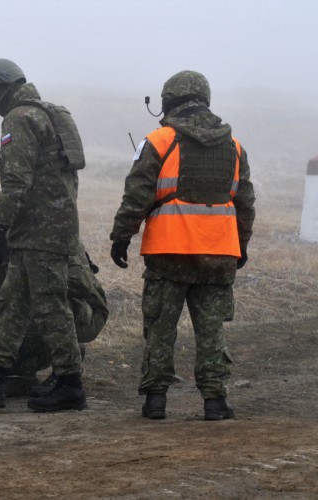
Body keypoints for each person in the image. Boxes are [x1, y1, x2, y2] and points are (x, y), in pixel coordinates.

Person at [109, 70, 255, 420]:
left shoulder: (159, 140)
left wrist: (121, 236)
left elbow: (137, 195)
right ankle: (215, 402)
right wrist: (241, 245)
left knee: (160, 327)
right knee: (211, 330)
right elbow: (244, 203)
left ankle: (156, 401)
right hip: (219, 252)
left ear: (168, 102)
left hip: (168, 251)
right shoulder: (234, 147)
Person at [0, 59, 87, 412]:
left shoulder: (20, 119)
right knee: (12, 303)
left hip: (40, 232)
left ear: (5, 87)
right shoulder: (52, 114)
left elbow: (17, 181)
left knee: (50, 307)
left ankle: (70, 382)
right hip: (43, 230)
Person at [0, 205, 109, 395]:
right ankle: (51, 356)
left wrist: (37, 275)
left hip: (88, 309)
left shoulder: (56, 237)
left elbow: (83, 285)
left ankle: (67, 365)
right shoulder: (10, 251)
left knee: (46, 302)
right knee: (1, 362)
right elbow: (6, 305)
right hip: (44, 309)